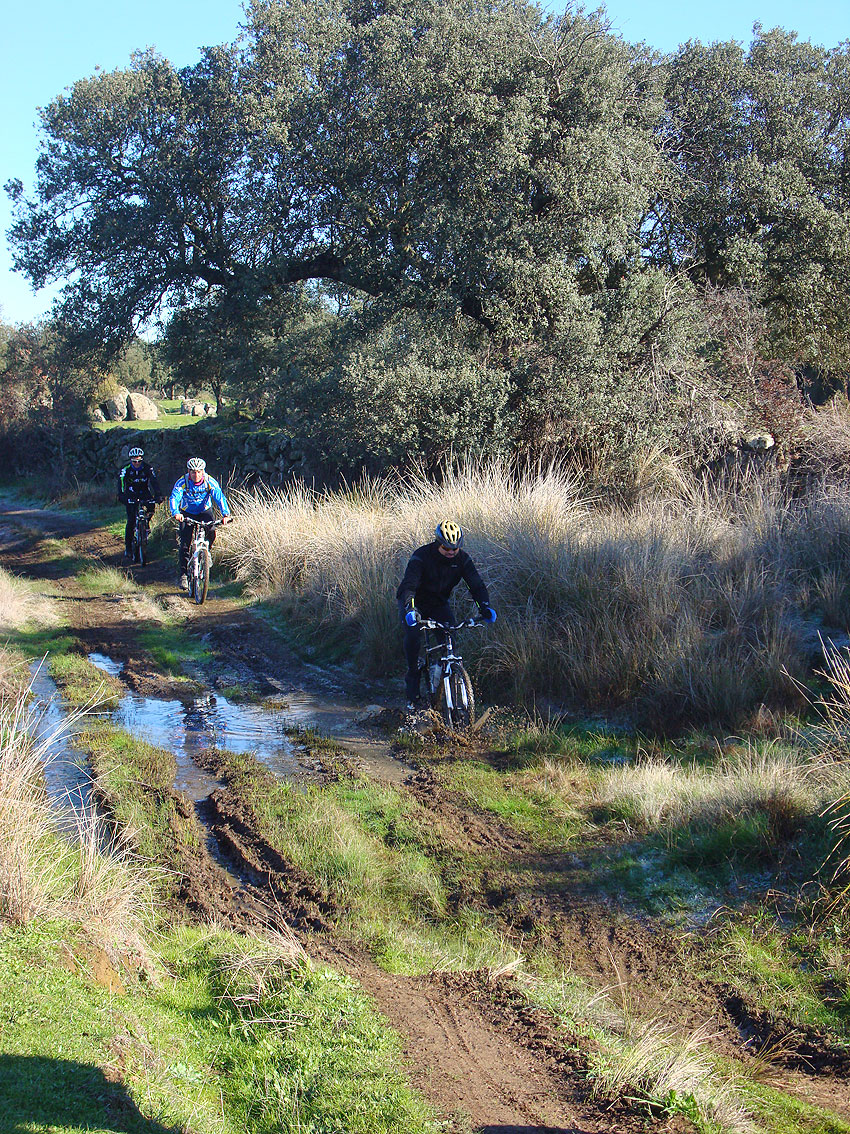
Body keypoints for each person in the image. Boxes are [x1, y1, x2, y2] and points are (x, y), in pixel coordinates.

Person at [396, 520, 496, 709]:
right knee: (413, 638)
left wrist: (485, 607)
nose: (451, 552)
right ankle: (413, 694)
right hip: (414, 602)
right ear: (438, 543)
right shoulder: (421, 556)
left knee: (451, 640)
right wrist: (410, 609)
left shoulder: (462, 560)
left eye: (455, 549)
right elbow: (409, 586)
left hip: (438, 603)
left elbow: (476, 585)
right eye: (446, 548)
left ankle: (443, 686)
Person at [169, 457, 232, 590]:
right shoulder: (182, 482)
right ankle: (183, 575)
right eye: (193, 472)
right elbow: (174, 497)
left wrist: (226, 514)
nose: (196, 475)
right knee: (185, 544)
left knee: (212, 532)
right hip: (187, 513)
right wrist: (176, 512)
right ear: (189, 472)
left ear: (203, 471)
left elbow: (219, 497)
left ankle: (206, 553)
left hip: (204, 511)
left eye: (199, 472)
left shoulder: (209, 481)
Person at [117, 447, 163, 563]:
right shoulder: (125, 469)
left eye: (139, 461)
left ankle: (145, 525)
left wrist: (158, 494)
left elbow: (154, 482)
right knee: (131, 520)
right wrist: (121, 496)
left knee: (151, 507)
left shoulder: (148, 468)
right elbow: (121, 484)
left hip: (144, 493)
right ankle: (128, 547)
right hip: (131, 494)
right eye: (134, 461)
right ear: (131, 460)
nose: (137, 463)